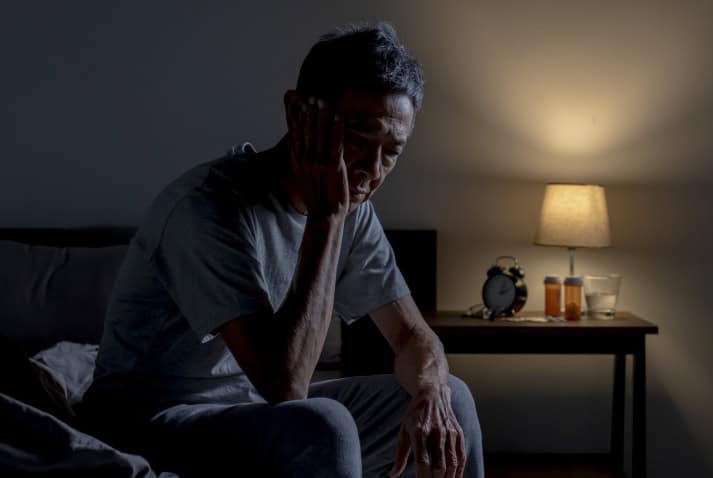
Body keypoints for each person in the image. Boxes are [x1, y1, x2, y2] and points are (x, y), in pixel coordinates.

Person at [79, 22, 483, 477]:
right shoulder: (209, 207)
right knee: (320, 423)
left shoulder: (354, 207)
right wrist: (326, 217)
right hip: (152, 419)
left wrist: (431, 391)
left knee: (453, 398)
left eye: (390, 152)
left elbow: (411, 337)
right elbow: (287, 384)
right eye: (356, 140)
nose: (371, 171)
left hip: (250, 411)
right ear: (298, 113)